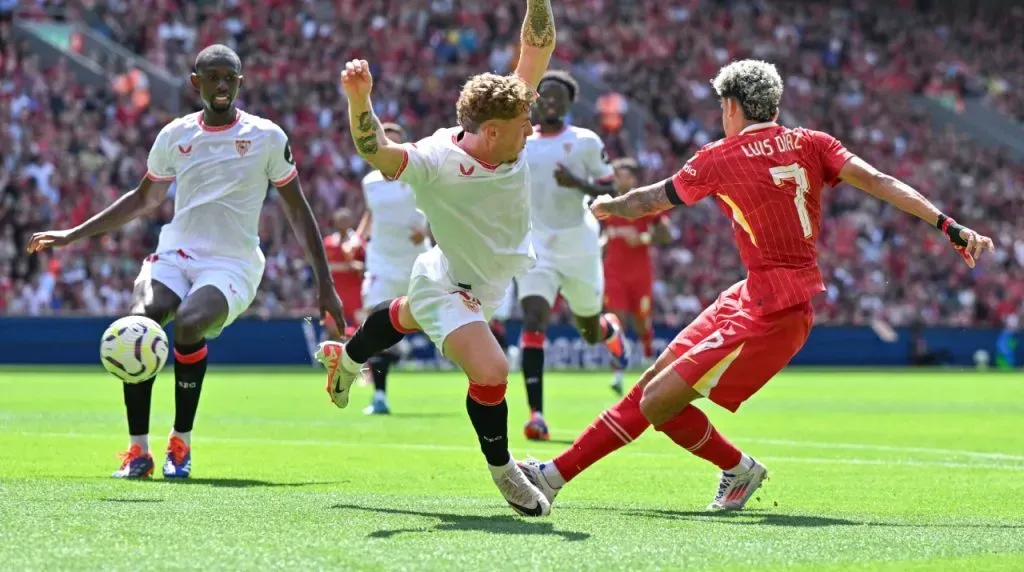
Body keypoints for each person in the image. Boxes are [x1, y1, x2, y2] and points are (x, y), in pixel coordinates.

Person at [517, 59, 994, 512]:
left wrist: (606, 206)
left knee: (658, 400)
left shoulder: (718, 158)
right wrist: (947, 225)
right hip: (756, 294)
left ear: (730, 106)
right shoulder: (812, 142)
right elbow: (880, 179)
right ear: (775, 106)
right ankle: (554, 476)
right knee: (653, 387)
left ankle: (722, 469)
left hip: (773, 312)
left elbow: (647, 202)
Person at [27, 44, 345, 479]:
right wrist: (73, 233)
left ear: (240, 82)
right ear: (195, 82)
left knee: (191, 323)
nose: (220, 86)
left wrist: (324, 283)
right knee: (140, 324)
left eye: (228, 78)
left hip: (231, 263)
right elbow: (144, 199)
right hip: (176, 253)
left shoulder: (267, 136)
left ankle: (181, 443)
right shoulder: (176, 135)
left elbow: (297, 209)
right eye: (211, 77)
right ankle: (138, 452)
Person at [316, 0, 558, 517]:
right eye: (523, 126)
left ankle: (349, 359)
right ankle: (504, 471)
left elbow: (537, 46)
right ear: (490, 132)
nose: (530, 130)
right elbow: (376, 152)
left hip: (481, 280)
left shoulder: (509, 119)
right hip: (454, 282)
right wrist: (361, 102)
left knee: (404, 314)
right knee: (492, 369)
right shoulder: (434, 161)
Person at [517, 69, 628, 441]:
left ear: (568, 103)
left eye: (557, 96)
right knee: (534, 319)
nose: (549, 101)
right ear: (534, 101)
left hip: (578, 243)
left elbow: (609, 186)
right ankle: (537, 416)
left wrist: (578, 183)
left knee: (589, 332)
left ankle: (609, 331)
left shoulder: (584, 141)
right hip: (536, 246)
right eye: (543, 95)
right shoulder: (520, 142)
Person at [356, 122, 430, 415]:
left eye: (395, 142)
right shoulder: (370, 183)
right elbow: (371, 212)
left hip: (416, 262)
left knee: (433, 320)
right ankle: (379, 397)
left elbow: (438, 205)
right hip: (381, 262)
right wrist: (358, 237)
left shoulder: (417, 177)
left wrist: (426, 231)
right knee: (375, 322)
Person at [601, 157, 672, 394]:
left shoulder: (643, 203)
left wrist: (643, 238)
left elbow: (666, 234)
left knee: (642, 323)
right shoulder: (608, 204)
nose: (616, 178)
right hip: (614, 273)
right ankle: (618, 373)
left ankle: (649, 360)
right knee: (616, 319)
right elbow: (604, 234)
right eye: (615, 174)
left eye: (620, 174)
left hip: (639, 274)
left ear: (632, 178)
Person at [322, 207, 365, 338]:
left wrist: (359, 267)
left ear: (351, 222)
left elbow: (366, 265)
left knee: (362, 325)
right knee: (333, 327)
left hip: (355, 291)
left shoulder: (358, 242)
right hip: (336, 291)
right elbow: (324, 267)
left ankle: (363, 355)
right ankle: (341, 352)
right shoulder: (328, 242)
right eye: (340, 220)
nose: (343, 223)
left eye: (345, 220)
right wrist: (348, 266)